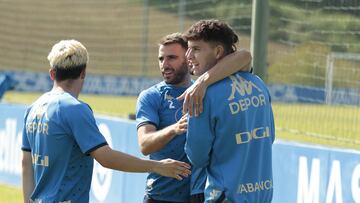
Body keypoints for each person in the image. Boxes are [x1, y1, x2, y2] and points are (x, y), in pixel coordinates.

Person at [21, 39, 192, 203]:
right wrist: (157, 166)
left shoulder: (33, 108)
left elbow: (26, 164)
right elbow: (106, 157)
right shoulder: (74, 108)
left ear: (52, 73)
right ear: (83, 73)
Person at [136, 33, 252, 203]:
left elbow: (245, 57)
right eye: (161, 59)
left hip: (199, 195)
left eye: (172, 58)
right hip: (161, 196)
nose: (164, 65)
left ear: (188, 58)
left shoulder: (204, 91)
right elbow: (145, 145)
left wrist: (203, 81)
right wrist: (175, 129)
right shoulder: (151, 96)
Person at [184, 19, 275, 203]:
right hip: (263, 194)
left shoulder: (201, 95)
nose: (188, 55)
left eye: (196, 49)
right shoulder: (258, 83)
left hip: (226, 196)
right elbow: (270, 136)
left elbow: (197, 156)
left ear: (218, 51)